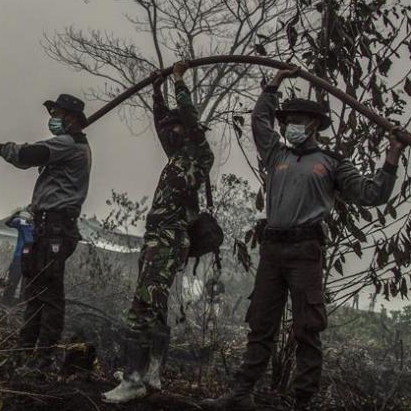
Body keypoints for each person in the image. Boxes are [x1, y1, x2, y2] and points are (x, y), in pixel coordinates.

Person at [203, 69, 405, 410]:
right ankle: (240, 394)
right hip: (272, 249)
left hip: (305, 251)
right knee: (260, 324)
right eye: (287, 121)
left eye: (296, 121)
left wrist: (391, 160)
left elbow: (372, 194)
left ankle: (302, 402)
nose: (289, 126)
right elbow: (259, 122)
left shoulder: (331, 163)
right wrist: (273, 85)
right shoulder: (276, 156)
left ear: (313, 125)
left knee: (307, 328)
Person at [102, 61, 214, 403]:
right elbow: (162, 122)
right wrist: (156, 90)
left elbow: (188, 120)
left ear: (190, 131)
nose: (171, 132)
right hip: (159, 241)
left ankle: (134, 379)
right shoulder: (177, 157)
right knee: (157, 306)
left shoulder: (198, 155)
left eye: (177, 128)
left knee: (141, 307)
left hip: (168, 240)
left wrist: (179, 81)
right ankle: (151, 372)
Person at [0, 93, 92, 372]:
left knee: (50, 295)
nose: (53, 119)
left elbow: (27, 156)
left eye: (58, 114)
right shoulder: (68, 145)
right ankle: (24, 351)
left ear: (72, 119)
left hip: (56, 229)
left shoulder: (70, 145)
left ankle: (42, 359)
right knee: (35, 293)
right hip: (46, 228)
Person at [3, 208, 34, 304]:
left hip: (31, 261)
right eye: (30, 212)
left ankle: (21, 306)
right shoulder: (22, 222)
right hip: (19, 258)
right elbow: (8, 223)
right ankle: (5, 303)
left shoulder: (40, 227)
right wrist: (16, 213)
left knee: (26, 286)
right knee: (12, 282)